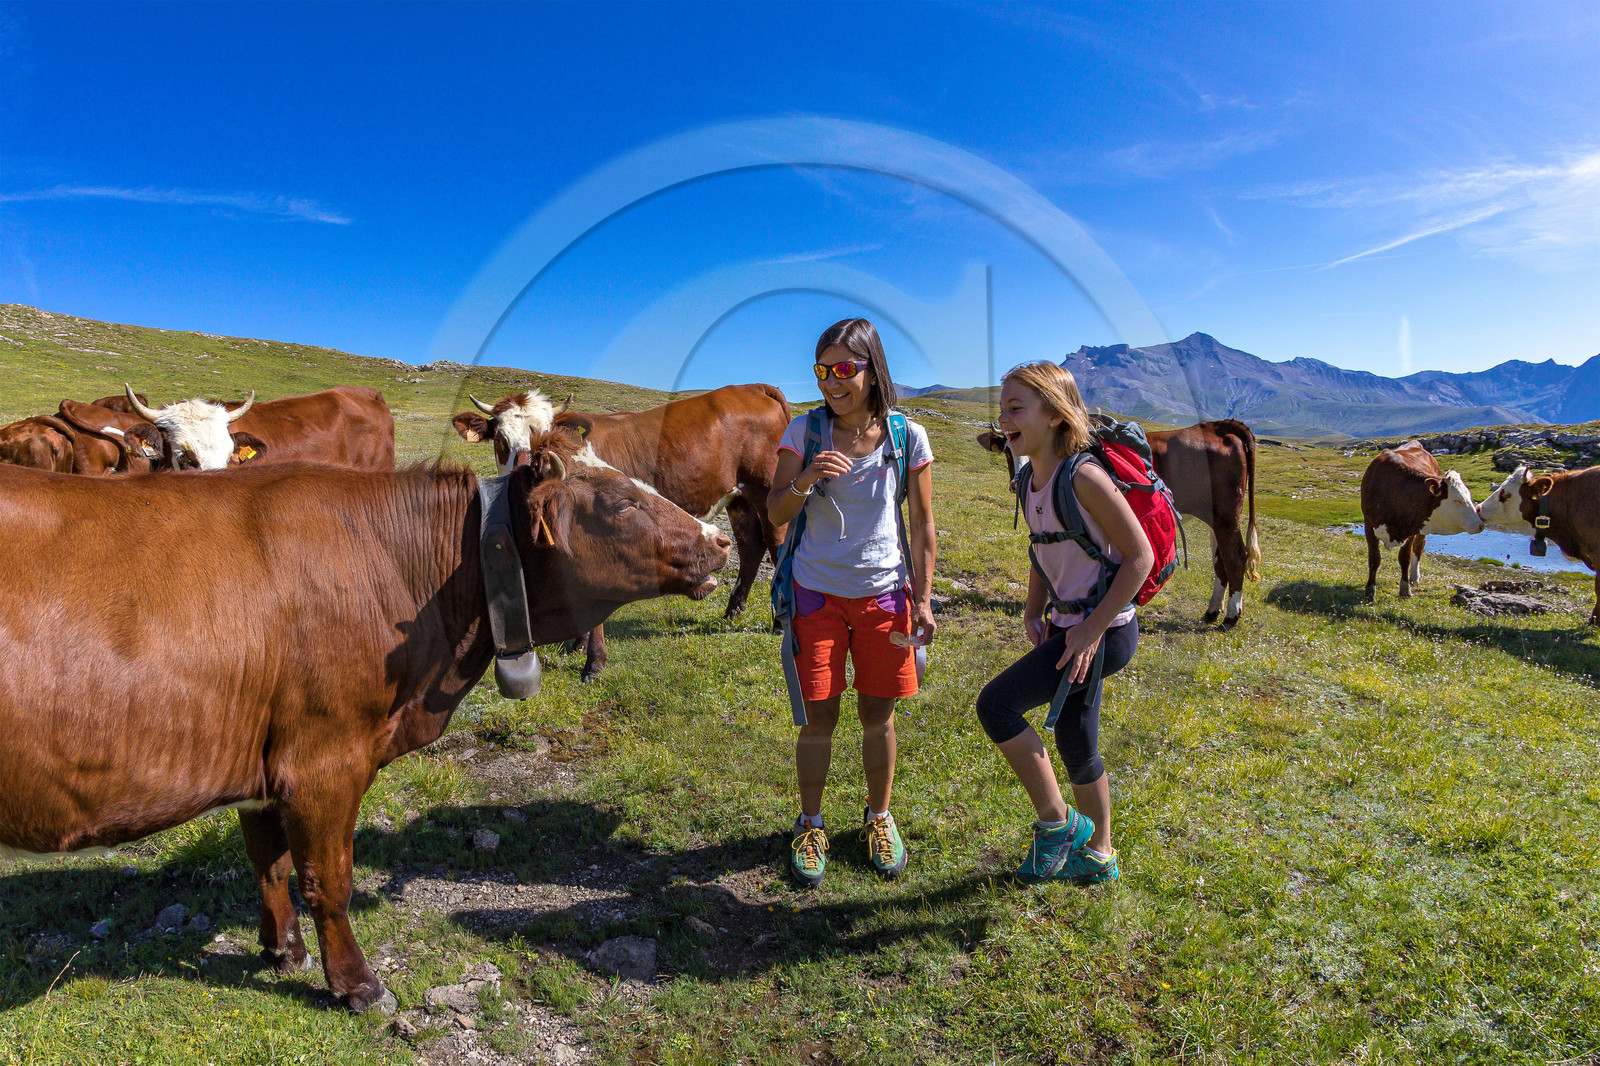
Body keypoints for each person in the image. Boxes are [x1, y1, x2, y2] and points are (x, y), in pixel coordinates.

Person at [767, 318, 937, 888]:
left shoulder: (905, 436)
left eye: (845, 369)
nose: (832, 383)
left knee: (878, 716)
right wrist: (808, 477)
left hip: (885, 598)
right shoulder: (803, 432)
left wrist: (924, 601)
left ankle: (878, 818)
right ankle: (810, 823)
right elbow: (774, 513)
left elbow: (924, 526)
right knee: (819, 718)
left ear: (872, 369)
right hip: (816, 596)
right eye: (823, 371)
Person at [975, 361, 1153, 885]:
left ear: (1054, 415)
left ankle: (1057, 826)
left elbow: (1138, 557)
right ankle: (1099, 854)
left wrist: (1089, 632)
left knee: (997, 704)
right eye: (1001, 408)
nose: (1003, 420)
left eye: (1015, 408)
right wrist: (1035, 609)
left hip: (1106, 631)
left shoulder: (1085, 477)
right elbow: (1042, 548)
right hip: (1070, 627)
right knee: (1076, 737)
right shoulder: (1030, 476)